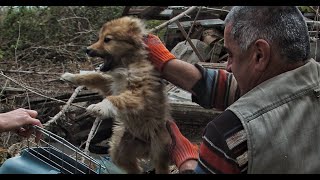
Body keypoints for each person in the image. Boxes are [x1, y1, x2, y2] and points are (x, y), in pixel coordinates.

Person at [144, 6, 319, 173]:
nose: (227, 66)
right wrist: (166, 63)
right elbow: (243, 91)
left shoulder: (231, 135)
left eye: (231, 55)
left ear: (259, 55)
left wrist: (185, 157)